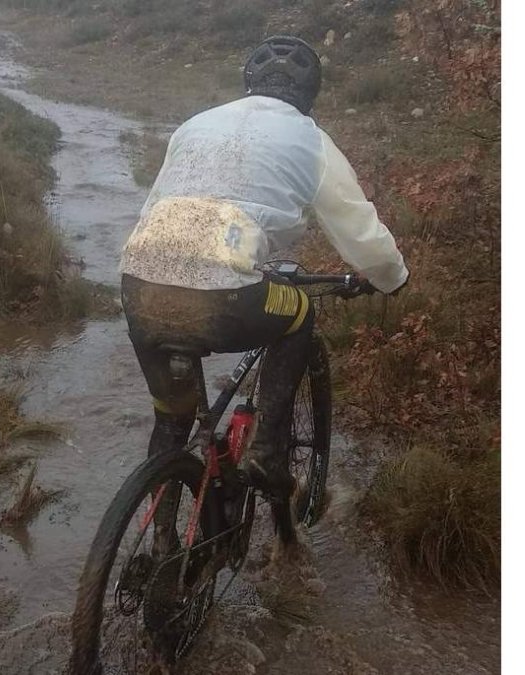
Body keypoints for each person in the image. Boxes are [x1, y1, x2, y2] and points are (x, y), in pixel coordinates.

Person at [119, 35, 408, 543]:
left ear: (249, 82)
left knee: (172, 421)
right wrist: (392, 278)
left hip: (139, 284)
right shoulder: (311, 140)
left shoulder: (195, 124)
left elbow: (157, 206)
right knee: (299, 313)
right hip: (226, 292)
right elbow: (361, 232)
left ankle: (162, 544)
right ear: (309, 93)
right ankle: (268, 451)